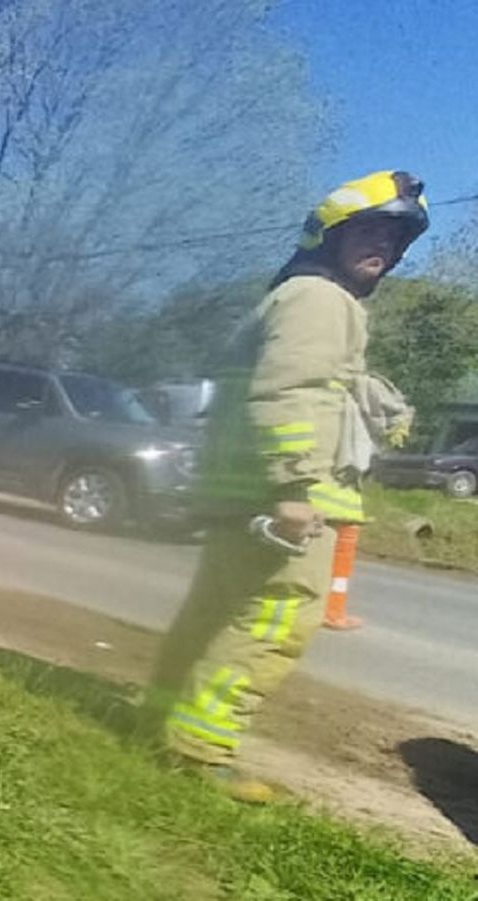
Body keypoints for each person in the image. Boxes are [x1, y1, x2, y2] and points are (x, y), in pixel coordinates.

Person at [146, 171, 428, 803]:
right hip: (283, 502)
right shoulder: (321, 301)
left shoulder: (300, 298)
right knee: (275, 624)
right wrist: (296, 489)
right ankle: (198, 749)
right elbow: (292, 390)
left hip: (247, 495)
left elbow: (296, 384)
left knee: (212, 613)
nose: (382, 243)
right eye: (368, 229)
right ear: (328, 235)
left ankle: (160, 720)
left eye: (394, 234)